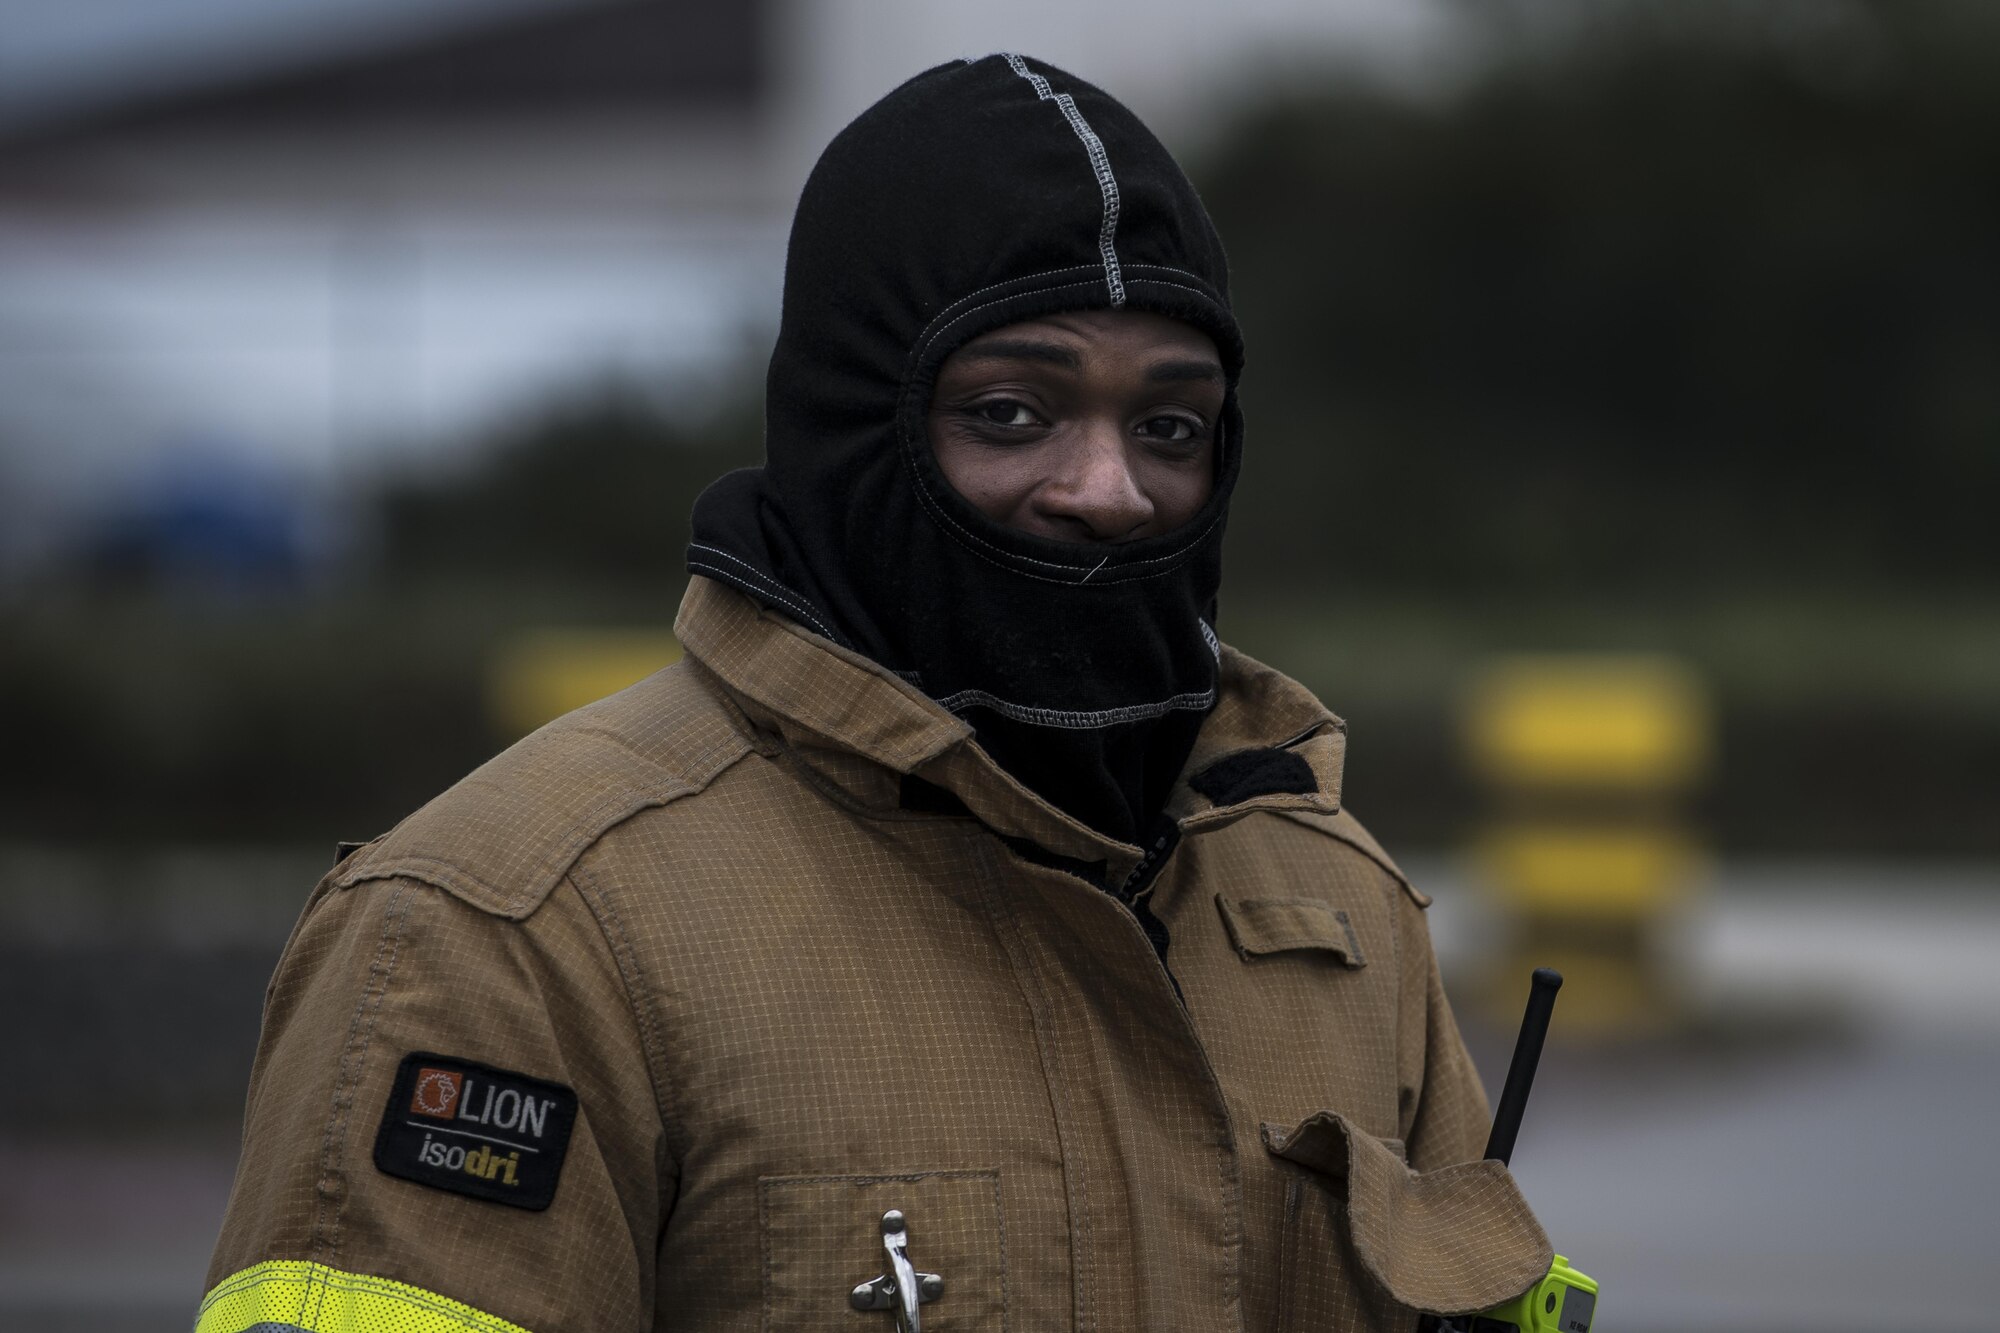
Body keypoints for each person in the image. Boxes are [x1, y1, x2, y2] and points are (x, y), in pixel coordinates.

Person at [197, 55, 1550, 1333]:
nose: (1109, 487)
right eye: (1012, 411)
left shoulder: (1339, 910)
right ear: (855, 432)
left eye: (1170, 425)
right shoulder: (508, 933)